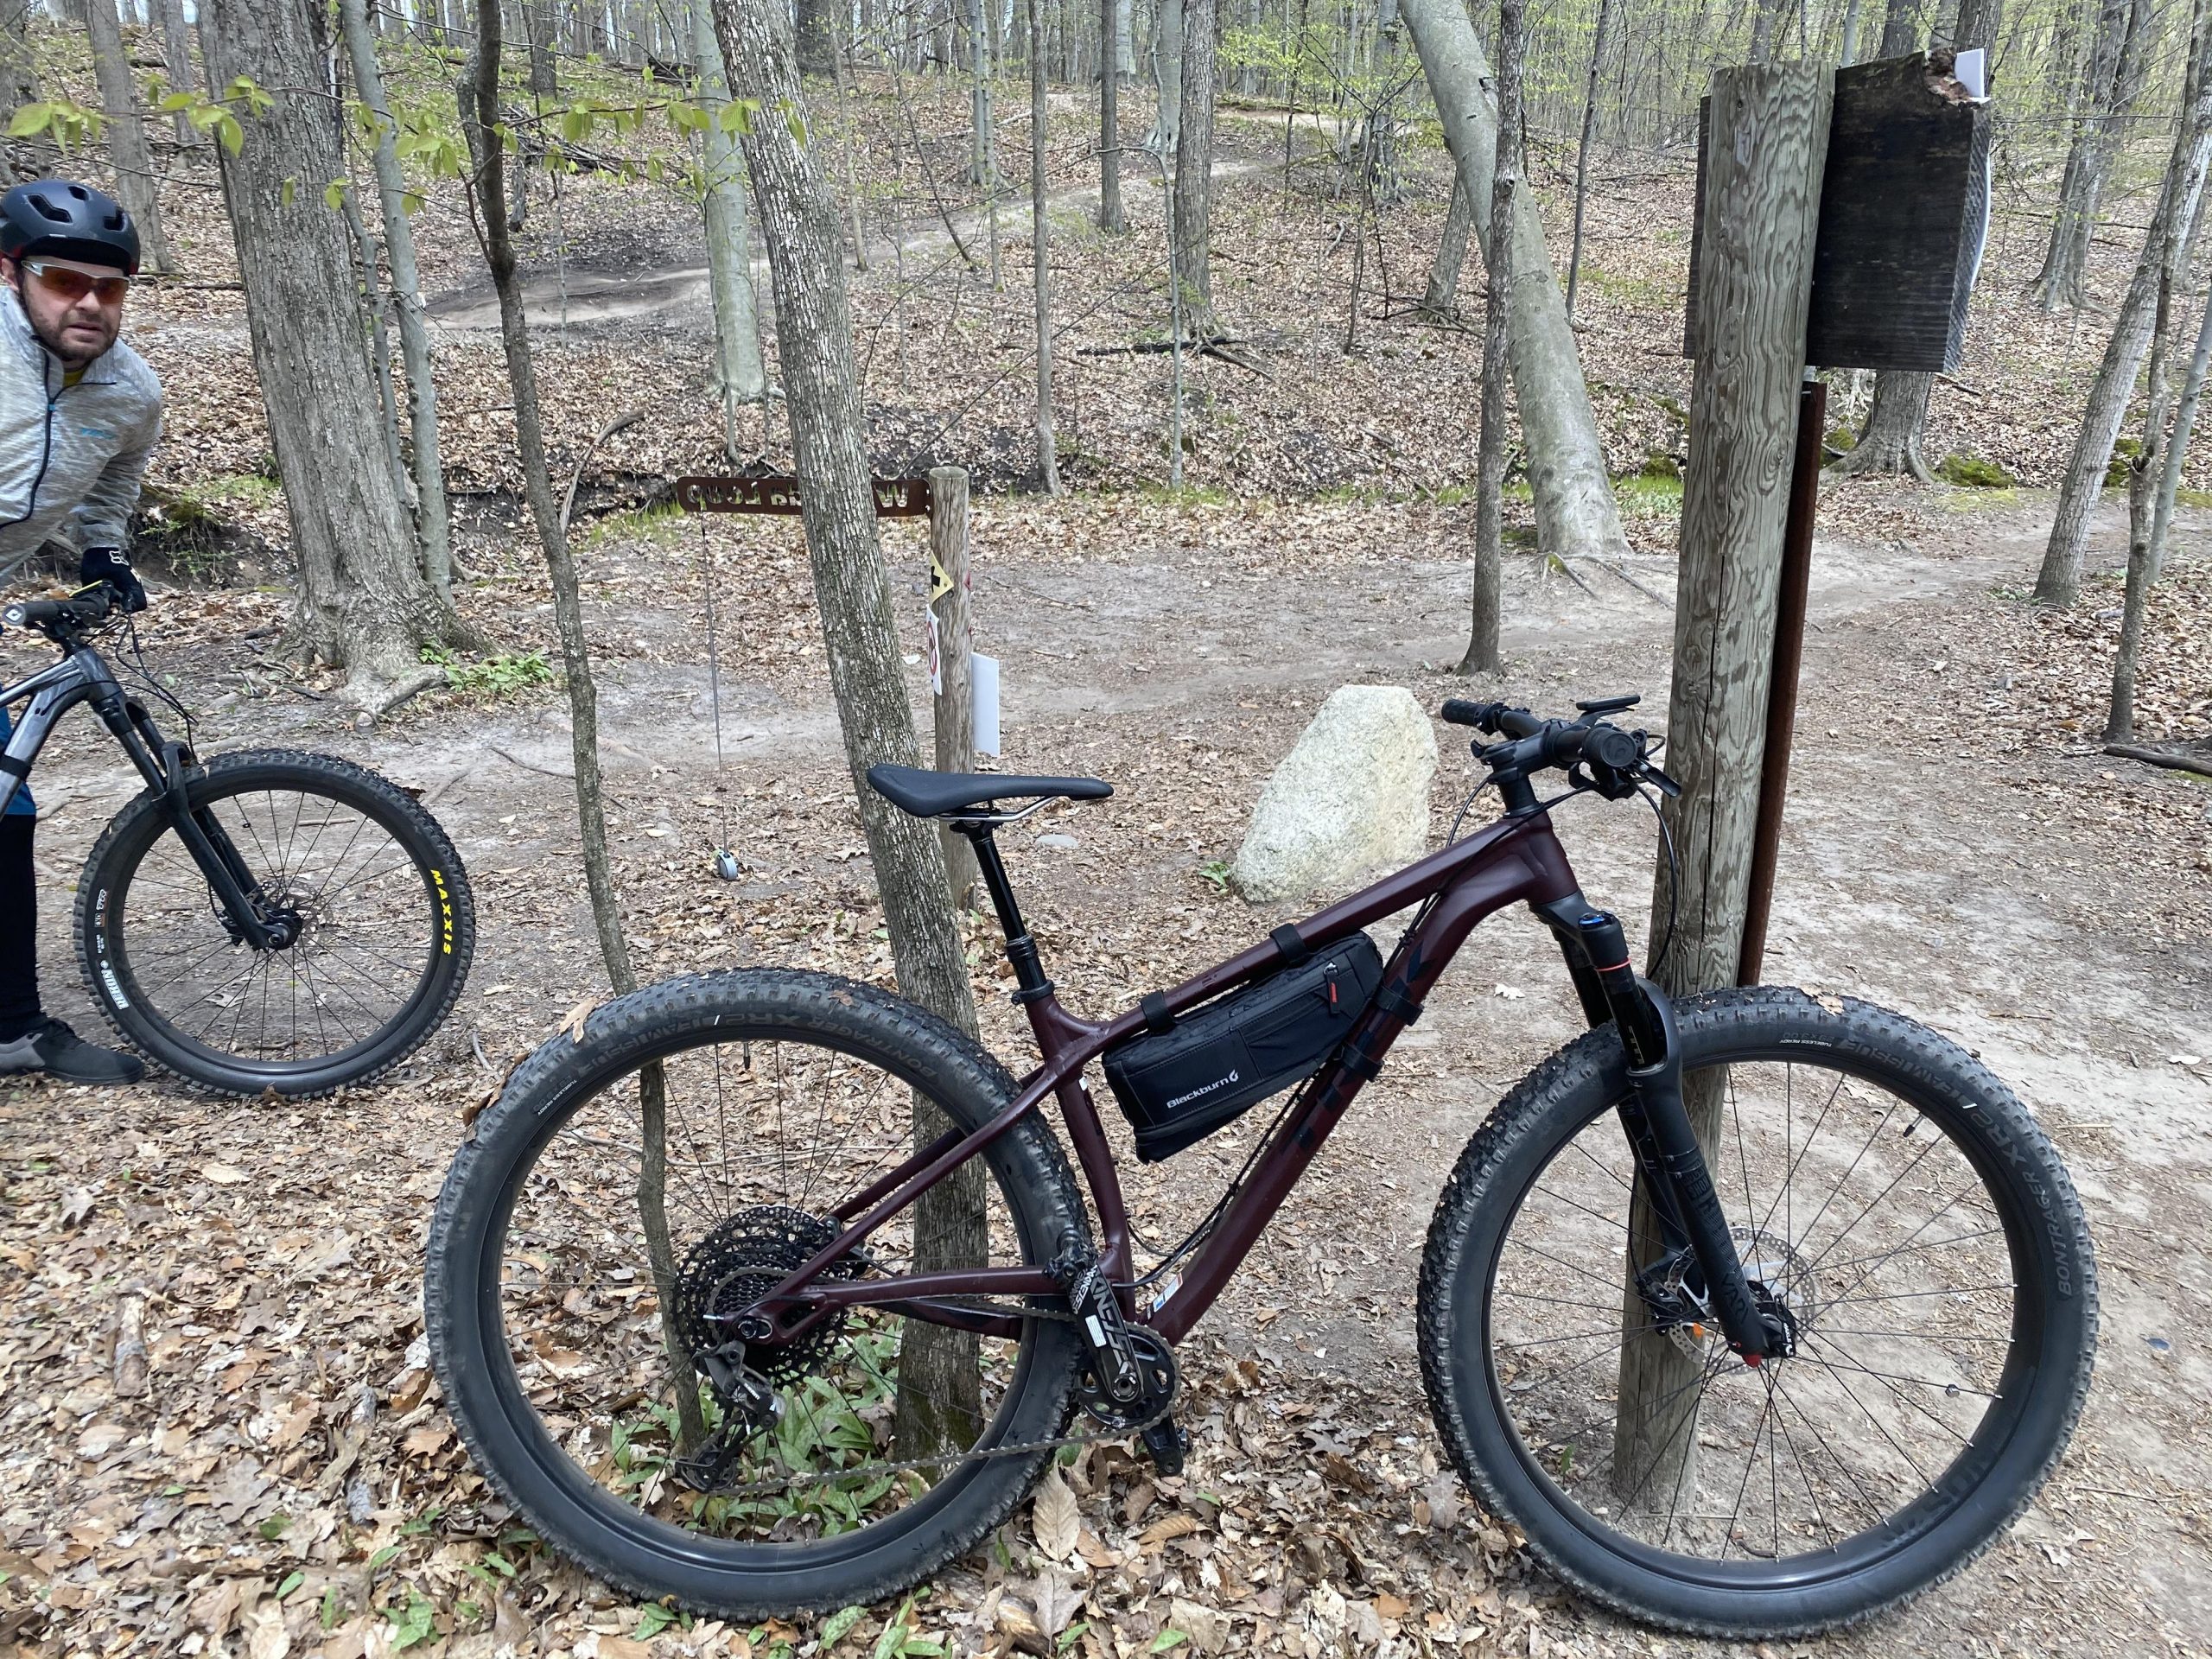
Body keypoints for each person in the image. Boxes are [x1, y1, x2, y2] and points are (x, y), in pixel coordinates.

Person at [0, 180, 162, 1084]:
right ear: (12, 274)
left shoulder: (130, 391)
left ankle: (13, 1028)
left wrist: (103, 554)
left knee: (7, 800)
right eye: (66, 281)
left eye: (110, 288)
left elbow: (119, 473)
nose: (90, 303)